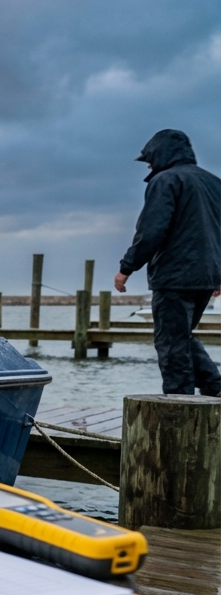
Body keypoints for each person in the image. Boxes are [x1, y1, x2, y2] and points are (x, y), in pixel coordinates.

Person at [115, 129, 221, 396]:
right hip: (206, 276)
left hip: (174, 276)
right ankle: (215, 388)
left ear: (161, 154)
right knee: (181, 336)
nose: (148, 165)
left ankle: (178, 402)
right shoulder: (213, 182)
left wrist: (126, 268)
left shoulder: (165, 180)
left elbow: (151, 231)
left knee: (171, 343)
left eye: (149, 159)